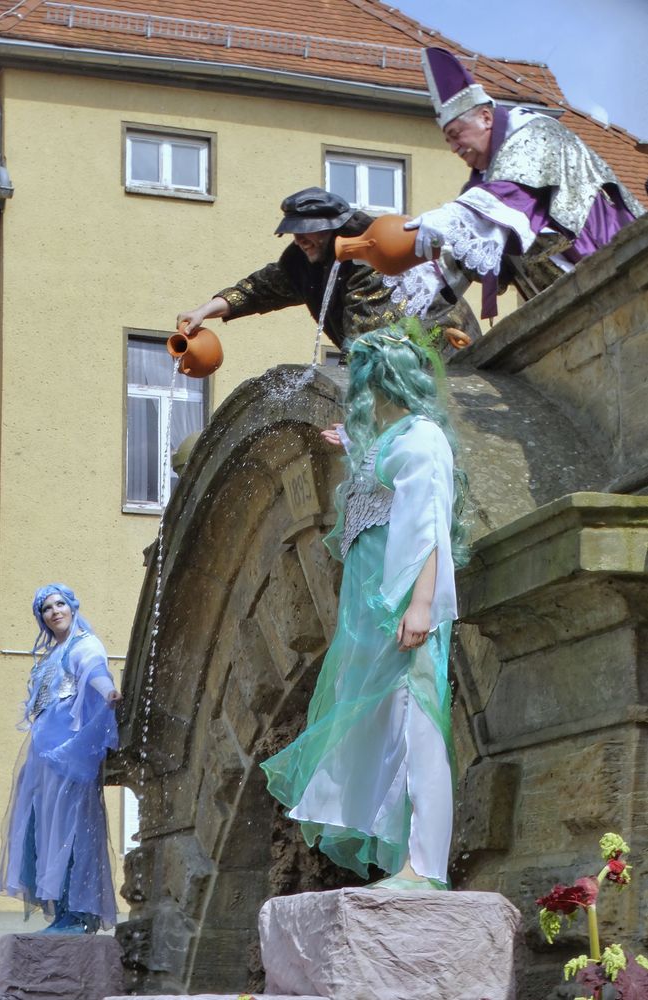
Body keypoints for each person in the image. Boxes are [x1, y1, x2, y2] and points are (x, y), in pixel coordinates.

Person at [261, 325, 467, 889]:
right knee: (383, 724)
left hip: (399, 605)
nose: (357, 393)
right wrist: (357, 447)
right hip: (373, 611)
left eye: (363, 382)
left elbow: (428, 526)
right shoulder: (398, 437)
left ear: (383, 382)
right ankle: (404, 860)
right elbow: (386, 488)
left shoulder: (422, 439)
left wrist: (421, 603)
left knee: (414, 721)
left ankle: (424, 866)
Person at [385, 48, 644, 322]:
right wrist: (412, 291)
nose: (453, 148)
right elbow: (463, 255)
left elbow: (512, 196)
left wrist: (445, 219)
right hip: (564, 305)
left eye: (455, 135)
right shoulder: (481, 190)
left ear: (486, 118)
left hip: (612, 270)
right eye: (448, 140)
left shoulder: (535, 133)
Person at [176, 186, 479, 355]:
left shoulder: (369, 257)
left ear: (333, 230)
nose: (300, 239)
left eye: (308, 231)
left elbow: (366, 340)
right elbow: (259, 289)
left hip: (446, 349)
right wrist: (204, 311)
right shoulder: (303, 261)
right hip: (399, 354)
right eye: (295, 232)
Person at [0, 584, 120, 932]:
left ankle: (78, 914)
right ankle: (63, 911)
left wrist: (108, 691)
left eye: (60, 604)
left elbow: (95, 671)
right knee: (43, 829)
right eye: (47, 608)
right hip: (43, 752)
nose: (55, 611)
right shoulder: (51, 657)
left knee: (72, 827)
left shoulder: (84, 644)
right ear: (43, 618)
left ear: (72, 606)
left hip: (69, 749)